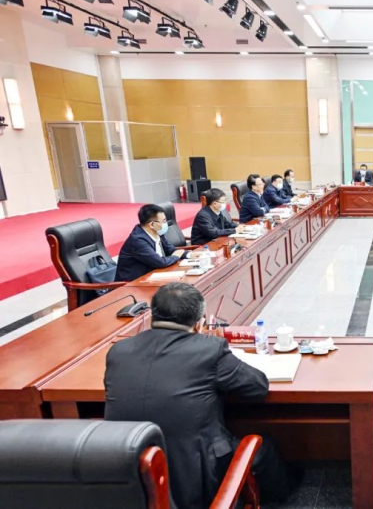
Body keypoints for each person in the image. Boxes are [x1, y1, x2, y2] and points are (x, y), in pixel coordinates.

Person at [104, 283, 298, 509]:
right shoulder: (209, 349)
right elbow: (257, 387)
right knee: (265, 448)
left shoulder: (118, 351)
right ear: (198, 322)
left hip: (127, 476)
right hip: (197, 480)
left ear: (151, 314)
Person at [116, 204, 195, 282]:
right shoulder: (138, 240)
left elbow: (170, 249)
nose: (166, 223)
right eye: (164, 221)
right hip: (133, 283)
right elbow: (160, 262)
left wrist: (190, 255)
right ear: (152, 224)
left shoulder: (157, 232)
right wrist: (176, 256)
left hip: (154, 275)